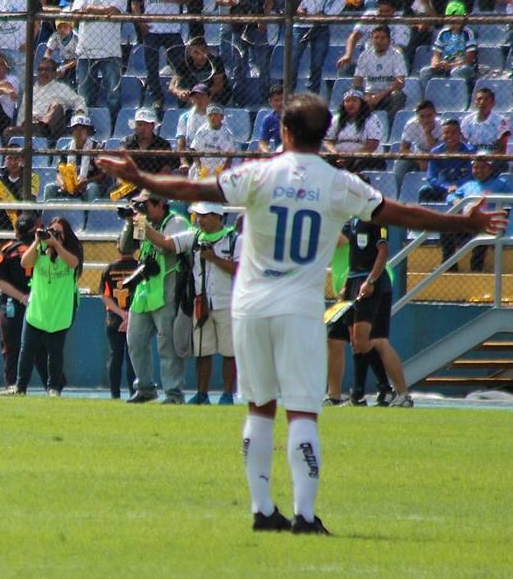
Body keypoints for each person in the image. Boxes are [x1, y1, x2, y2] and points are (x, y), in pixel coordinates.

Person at [95, 92, 507, 534]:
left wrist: (141, 176)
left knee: (258, 409)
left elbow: (194, 188)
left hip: (250, 305)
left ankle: (261, 509)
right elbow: (402, 213)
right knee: (303, 413)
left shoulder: (260, 174)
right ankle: (305, 517)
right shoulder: (337, 183)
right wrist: (463, 222)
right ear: (325, 133)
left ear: (285, 132)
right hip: (298, 308)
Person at [120, 190, 191, 403]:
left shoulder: (176, 222)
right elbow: (125, 248)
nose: (142, 210)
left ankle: (173, 393)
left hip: (167, 291)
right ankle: (145, 388)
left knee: (167, 346)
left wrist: (143, 224)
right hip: (144, 292)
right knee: (135, 341)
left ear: (160, 204)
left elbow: (165, 244)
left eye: (146, 205)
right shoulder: (143, 222)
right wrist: (130, 224)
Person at [340, 202, 414, 407]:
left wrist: (371, 280)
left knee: (374, 341)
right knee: (359, 343)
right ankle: (366, 394)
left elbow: (383, 251)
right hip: (354, 280)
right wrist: (348, 284)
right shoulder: (352, 220)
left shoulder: (376, 218)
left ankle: (396, 393)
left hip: (371, 281)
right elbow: (353, 255)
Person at [172, 202, 240, 405]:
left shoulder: (235, 239)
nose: (199, 220)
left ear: (218, 217)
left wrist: (214, 259)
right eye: (198, 216)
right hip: (201, 302)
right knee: (202, 351)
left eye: (204, 216)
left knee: (229, 352)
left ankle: (227, 394)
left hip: (227, 302)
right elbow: (167, 243)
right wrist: (141, 224)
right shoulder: (194, 237)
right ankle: (202, 394)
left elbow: (240, 269)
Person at [10, 216, 83, 396]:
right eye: (52, 231)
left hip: (60, 310)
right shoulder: (40, 250)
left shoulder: (69, 253)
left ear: (65, 236)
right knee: (27, 349)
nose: (54, 235)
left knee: (55, 351)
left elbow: (74, 264)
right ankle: (20, 387)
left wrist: (57, 245)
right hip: (38, 308)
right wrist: (37, 242)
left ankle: (54, 388)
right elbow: (24, 262)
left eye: (58, 233)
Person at [0, 213, 49, 394]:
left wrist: (20, 297)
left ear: (16, 230)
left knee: (11, 349)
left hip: (13, 305)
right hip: (40, 304)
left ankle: (13, 385)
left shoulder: (7, 250)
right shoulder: (45, 249)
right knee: (43, 349)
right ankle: (53, 386)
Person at [71, 0, 127, 124]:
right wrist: (102, 12)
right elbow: (76, 14)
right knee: (84, 97)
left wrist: (90, 10)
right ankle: (84, 128)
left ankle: (113, 127)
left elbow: (114, 11)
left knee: (113, 96)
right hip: (86, 50)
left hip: (110, 51)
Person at [131, 0, 189, 111]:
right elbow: (135, 2)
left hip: (172, 29)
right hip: (152, 29)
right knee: (151, 67)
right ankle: (157, 98)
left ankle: (182, 96)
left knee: (181, 66)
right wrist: (140, 22)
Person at [215, 0, 273, 107]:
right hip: (237, 27)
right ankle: (238, 100)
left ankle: (267, 99)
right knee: (238, 66)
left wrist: (264, 19)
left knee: (262, 65)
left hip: (256, 25)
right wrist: (225, 1)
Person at [442, 152, 513, 271]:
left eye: (483, 167)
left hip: (488, 224)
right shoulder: (468, 185)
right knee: (445, 229)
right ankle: (449, 265)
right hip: (468, 222)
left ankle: (476, 269)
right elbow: (451, 196)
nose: (479, 170)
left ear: (490, 169)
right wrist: (455, 200)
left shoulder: (500, 184)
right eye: (475, 167)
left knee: (482, 237)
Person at [290, 0, 345, 95]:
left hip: (320, 25)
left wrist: (326, 14)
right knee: (292, 60)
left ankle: (312, 94)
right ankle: (288, 93)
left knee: (317, 63)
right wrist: (297, 8)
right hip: (300, 23)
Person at [3, 56, 86, 143]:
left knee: (56, 107)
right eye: (40, 69)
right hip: (29, 127)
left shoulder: (61, 88)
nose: (43, 72)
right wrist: (20, 126)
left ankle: (40, 128)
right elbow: (22, 113)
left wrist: (79, 113)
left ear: (54, 73)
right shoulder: (30, 91)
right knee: (8, 131)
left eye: (47, 69)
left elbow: (79, 101)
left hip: (50, 130)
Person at [100, 237, 139, 399]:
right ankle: (134, 393)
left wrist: (121, 313)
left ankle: (114, 395)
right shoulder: (140, 267)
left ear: (118, 247)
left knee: (115, 355)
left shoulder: (109, 269)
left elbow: (105, 296)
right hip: (136, 317)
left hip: (114, 318)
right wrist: (129, 315)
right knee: (133, 358)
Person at [44, 114, 107, 201]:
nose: (79, 132)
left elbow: (102, 174)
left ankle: (90, 214)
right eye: (75, 129)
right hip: (69, 184)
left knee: (92, 187)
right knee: (50, 188)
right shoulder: (65, 150)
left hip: (89, 184)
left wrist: (86, 182)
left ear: (88, 131)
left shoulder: (97, 148)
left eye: (82, 129)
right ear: (71, 131)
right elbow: (59, 173)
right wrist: (63, 184)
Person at [419, 0, 477, 92]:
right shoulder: (443, 33)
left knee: (456, 72)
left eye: (457, 18)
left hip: (463, 67)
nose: (454, 22)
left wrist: (451, 65)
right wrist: (436, 64)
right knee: (425, 72)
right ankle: (428, 97)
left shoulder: (467, 33)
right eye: (451, 18)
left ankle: (457, 98)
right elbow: (436, 55)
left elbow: (469, 59)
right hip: (446, 65)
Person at [353, 25, 407, 122]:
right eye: (376, 37)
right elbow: (357, 81)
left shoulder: (397, 55)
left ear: (389, 40)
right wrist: (363, 96)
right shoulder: (364, 55)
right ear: (371, 40)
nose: (379, 41)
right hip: (369, 94)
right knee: (353, 98)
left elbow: (400, 82)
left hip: (388, 94)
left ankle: (392, 128)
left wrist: (380, 95)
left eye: (382, 38)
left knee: (398, 96)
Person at [324, 89, 386, 173]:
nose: (350, 104)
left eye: (354, 100)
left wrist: (349, 157)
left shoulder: (371, 119)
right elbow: (328, 142)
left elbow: (371, 146)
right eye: (347, 101)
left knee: (358, 164)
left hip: (366, 158)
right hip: (339, 157)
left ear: (361, 103)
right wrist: (336, 155)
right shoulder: (336, 119)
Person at [402, 0, 448, 71]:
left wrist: (426, 3)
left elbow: (440, 21)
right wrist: (418, 25)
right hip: (415, 29)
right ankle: (407, 70)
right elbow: (407, 19)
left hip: (435, 30)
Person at [394, 100, 443, 195]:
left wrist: (427, 132)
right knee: (400, 164)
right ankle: (399, 194)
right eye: (422, 117)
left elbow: (435, 149)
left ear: (435, 114)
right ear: (417, 116)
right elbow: (403, 148)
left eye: (429, 116)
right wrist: (419, 160)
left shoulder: (442, 125)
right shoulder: (411, 125)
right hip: (418, 154)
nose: (425, 120)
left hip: (437, 156)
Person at [420, 119, 474, 201]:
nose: (450, 136)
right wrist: (446, 186)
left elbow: (470, 175)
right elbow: (431, 177)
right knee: (425, 190)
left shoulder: (469, 151)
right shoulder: (436, 152)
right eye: (446, 133)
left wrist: (456, 185)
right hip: (442, 187)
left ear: (460, 134)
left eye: (453, 133)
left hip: (463, 186)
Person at [170, 37, 229, 108]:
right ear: (190, 53)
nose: (200, 56)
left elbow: (218, 85)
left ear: (207, 50)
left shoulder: (215, 61)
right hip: (192, 96)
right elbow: (172, 86)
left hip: (211, 95)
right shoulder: (184, 63)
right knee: (181, 85)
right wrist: (179, 92)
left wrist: (201, 96)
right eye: (196, 52)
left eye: (203, 51)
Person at [461, 87, 510, 172]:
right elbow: (463, 142)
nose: (482, 102)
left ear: (493, 103)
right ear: (475, 103)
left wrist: (486, 160)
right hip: (472, 156)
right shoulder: (467, 120)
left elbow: (502, 148)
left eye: (486, 99)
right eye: (479, 99)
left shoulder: (501, 121)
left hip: (493, 157)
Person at [188, 104, 236, 180]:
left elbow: (230, 155)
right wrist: (199, 168)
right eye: (210, 115)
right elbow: (194, 149)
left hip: (219, 168)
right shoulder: (202, 131)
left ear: (222, 117)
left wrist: (223, 169)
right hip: (203, 167)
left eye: (216, 115)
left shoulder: (227, 134)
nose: (213, 118)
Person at [123, 108, 175, 177]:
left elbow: (166, 169)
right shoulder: (127, 142)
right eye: (139, 125)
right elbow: (122, 164)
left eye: (146, 125)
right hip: (131, 181)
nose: (142, 128)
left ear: (152, 126)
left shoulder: (163, 144)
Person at [176, 84, 213, 169]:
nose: (199, 100)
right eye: (196, 97)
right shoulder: (185, 117)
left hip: (211, 154)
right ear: (192, 99)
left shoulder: (216, 116)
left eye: (202, 96)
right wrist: (183, 162)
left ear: (209, 98)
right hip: (190, 155)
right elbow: (181, 143)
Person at [255, 85, 283, 152]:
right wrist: (266, 152)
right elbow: (263, 142)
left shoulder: (296, 115)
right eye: (276, 100)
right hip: (280, 154)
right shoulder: (269, 119)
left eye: (282, 99)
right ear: (270, 102)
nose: (280, 103)